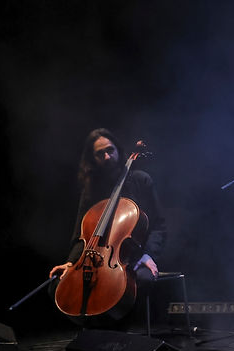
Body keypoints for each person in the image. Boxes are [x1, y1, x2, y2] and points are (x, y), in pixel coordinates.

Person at [49, 128, 167, 316]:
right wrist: (71, 263)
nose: (106, 156)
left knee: (140, 280)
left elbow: (158, 225)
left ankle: (125, 337)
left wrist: (149, 255)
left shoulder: (140, 180)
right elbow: (82, 236)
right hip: (95, 259)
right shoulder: (91, 189)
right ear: (92, 159)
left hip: (133, 257)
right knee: (58, 284)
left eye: (110, 150)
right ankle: (92, 333)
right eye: (99, 153)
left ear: (118, 151)